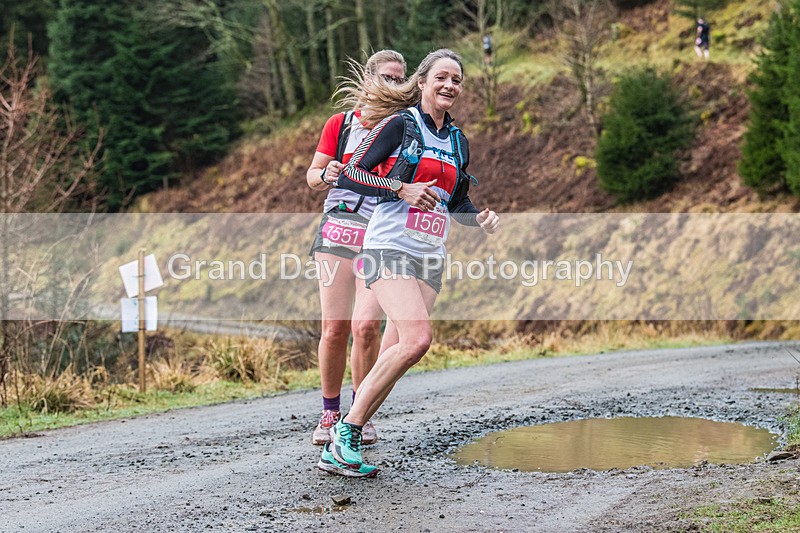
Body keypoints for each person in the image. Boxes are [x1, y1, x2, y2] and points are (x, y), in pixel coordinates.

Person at [316, 49, 500, 478]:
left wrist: (482, 220)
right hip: (387, 246)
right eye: (441, 77)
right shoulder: (400, 124)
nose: (449, 85)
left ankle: (344, 439)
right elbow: (349, 173)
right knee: (418, 340)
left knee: (400, 352)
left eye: (457, 79)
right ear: (422, 82)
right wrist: (400, 188)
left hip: (430, 255)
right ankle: (346, 431)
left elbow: (457, 202)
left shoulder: (458, 141)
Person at [305, 50, 406, 447]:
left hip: (379, 235)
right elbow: (313, 175)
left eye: (400, 79)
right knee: (335, 329)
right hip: (337, 232)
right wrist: (326, 173)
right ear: (368, 79)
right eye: (386, 77)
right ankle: (329, 411)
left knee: (366, 329)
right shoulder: (341, 123)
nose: (393, 85)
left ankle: (356, 414)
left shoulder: (405, 126)